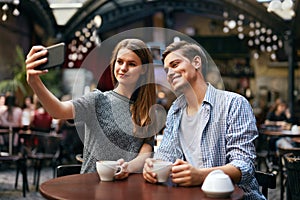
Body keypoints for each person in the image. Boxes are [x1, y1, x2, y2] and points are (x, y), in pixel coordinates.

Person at [143, 40, 264, 199]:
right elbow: (165, 155)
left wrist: (200, 175)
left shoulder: (233, 104)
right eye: (166, 70)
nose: (170, 73)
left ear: (196, 62)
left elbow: (244, 167)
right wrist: (152, 167)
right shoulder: (175, 110)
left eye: (175, 64)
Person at [25, 38, 158, 179]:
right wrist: (34, 82)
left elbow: (146, 152)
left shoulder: (148, 110)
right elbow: (58, 111)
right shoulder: (98, 99)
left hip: (130, 188)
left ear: (144, 69)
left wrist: (127, 167)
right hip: (92, 186)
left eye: (131, 64)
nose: (123, 68)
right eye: (119, 62)